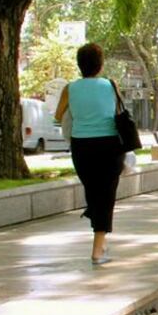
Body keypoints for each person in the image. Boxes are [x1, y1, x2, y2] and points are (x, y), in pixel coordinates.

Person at [54, 42, 124, 265]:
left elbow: (58, 115)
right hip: (110, 146)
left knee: (94, 193)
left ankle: (100, 241)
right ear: (100, 65)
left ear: (79, 65)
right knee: (105, 196)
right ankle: (97, 252)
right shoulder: (111, 85)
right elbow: (119, 112)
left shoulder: (69, 89)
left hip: (81, 147)